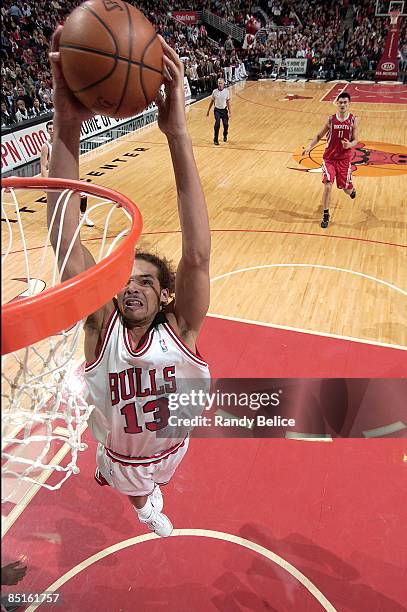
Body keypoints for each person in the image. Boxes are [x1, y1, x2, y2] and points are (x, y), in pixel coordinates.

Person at [47, 28, 211, 538]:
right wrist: (66, 126)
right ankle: (143, 505)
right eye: (126, 280)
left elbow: (198, 255)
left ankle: (141, 493)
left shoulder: (180, 328)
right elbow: (65, 240)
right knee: (132, 491)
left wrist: (178, 134)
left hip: (169, 447)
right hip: (120, 452)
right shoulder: (102, 323)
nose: (132, 287)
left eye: (146, 281)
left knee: (142, 479)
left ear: (166, 294)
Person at [303, 92, 359, 228]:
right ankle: (326, 215)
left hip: (344, 160)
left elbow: (356, 140)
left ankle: (351, 190)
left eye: (345, 102)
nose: (343, 105)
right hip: (329, 159)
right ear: (337, 104)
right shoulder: (330, 120)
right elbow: (318, 135)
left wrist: (349, 145)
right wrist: (309, 147)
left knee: (346, 189)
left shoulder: (354, 120)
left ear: (349, 104)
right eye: (340, 102)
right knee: (328, 185)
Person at [40, 119, 94, 227]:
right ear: (47, 131)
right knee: (61, 201)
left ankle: (83, 216)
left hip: (68, 175)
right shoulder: (46, 146)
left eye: (53, 128)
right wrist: (46, 183)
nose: (52, 130)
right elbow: (43, 165)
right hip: (55, 178)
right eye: (49, 129)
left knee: (83, 194)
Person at [206, 78, 231, 145]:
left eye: (221, 83)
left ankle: (225, 134)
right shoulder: (214, 92)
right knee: (217, 124)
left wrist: (230, 112)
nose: (220, 85)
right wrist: (208, 110)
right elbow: (211, 102)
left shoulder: (227, 92)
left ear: (223, 84)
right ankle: (215, 139)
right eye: (219, 83)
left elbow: (228, 102)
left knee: (226, 125)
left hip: (224, 110)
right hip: (217, 110)